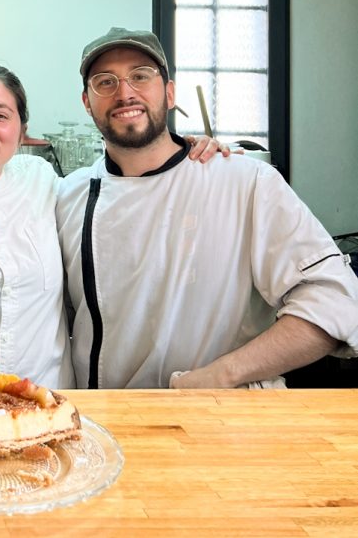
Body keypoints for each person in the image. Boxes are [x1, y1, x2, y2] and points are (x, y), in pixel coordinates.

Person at [55, 26, 358, 389]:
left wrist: (223, 374)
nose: (125, 92)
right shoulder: (68, 195)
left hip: (224, 422)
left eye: (141, 76)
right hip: (105, 424)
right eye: (105, 82)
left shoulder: (244, 181)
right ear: (87, 102)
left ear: (169, 94)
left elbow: (336, 301)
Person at [0, 62, 225, 388]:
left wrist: (184, 150)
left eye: (0, 115)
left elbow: (128, 195)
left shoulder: (42, 179)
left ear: (22, 131)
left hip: (49, 399)